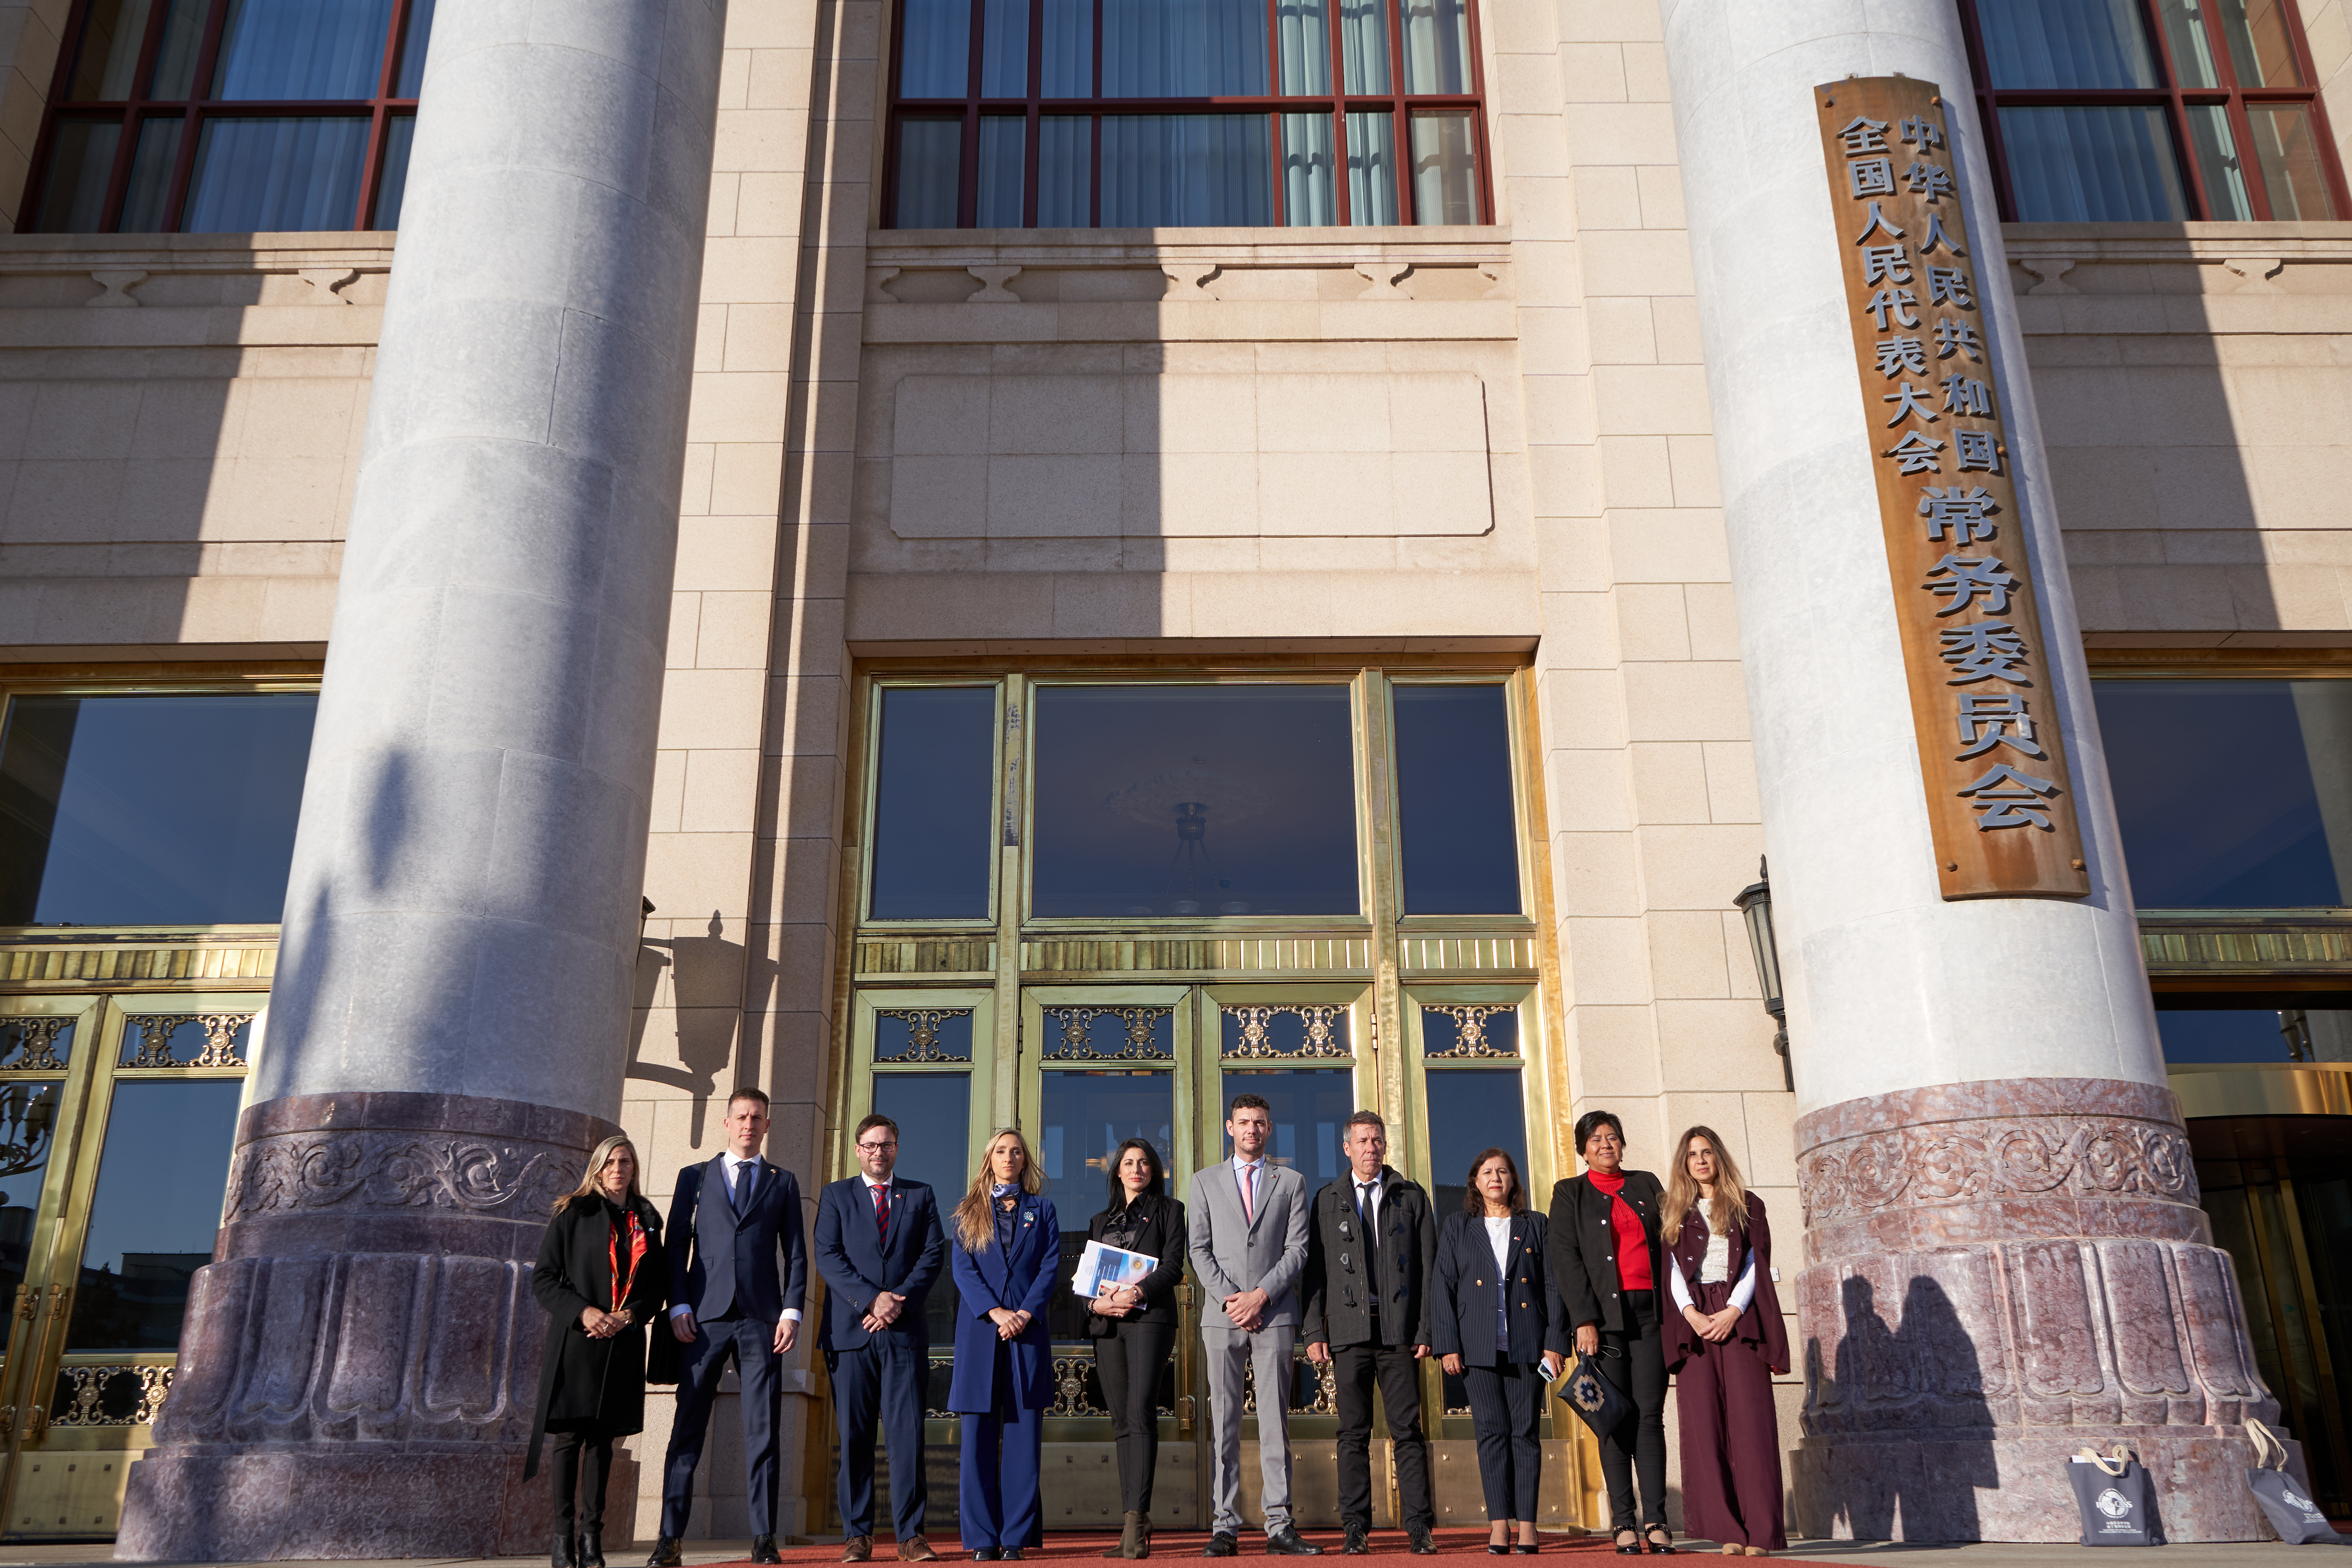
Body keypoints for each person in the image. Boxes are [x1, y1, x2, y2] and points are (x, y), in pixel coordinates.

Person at [651, 1088, 808, 1568]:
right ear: (727, 1122)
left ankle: (764, 1537)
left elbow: (798, 1254)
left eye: (757, 1117)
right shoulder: (694, 1178)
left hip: (761, 1318)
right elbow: (675, 1245)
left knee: (764, 1429)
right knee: (687, 1429)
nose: (748, 1124)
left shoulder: (782, 1182)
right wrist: (677, 1302)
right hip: (701, 1318)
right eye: (741, 1116)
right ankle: (669, 1539)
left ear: (766, 1124)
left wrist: (791, 1311)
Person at [1187, 1093, 1321, 1558]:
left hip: (1275, 1313)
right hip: (1222, 1319)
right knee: (1224, 1423)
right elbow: (1198, 1250)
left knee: (1274, 1424)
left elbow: (1298, 1250)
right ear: (1230, 1127)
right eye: (1244, 1122)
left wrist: (1261, 1295)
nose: (1252, 1129)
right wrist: (1232, 1300)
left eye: (1260, 1122)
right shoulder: (1204, 1182)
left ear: (1269, 1128)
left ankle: (1279, 1524)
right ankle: (1225, 1525)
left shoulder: (1292, 1182)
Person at [528, 1134, 668, 1568]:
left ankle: (592, 1539)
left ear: (634, 1168)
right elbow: (545, 1279)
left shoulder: (645, 1218)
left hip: (622, 1342)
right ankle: (561, 1538)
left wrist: (629, 1316)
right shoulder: (574, 1211)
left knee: (604, 1441)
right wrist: (585, 1312)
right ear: (598, 1167)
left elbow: (656, 1288)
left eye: (625, 1161)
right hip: (579, 1339)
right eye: (610, 1161)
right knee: (570, 1437)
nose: (618, 1168)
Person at [1302, 1110, 1437, 1557]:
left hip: (1398, 1333)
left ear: (1385, 1145)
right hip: (1348, 1333)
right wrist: (1313, 1331)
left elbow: (1428, 1270)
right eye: (1362, 1141)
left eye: (1377, 1140)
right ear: (1347, 1148)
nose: (1371, 1148)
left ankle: (1419, 1526)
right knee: (1353, 1432)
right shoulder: (1327, 1198)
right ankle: (1355, 1527)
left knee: (1407, 1430)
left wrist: (1426, 1327)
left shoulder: (1411, 1196)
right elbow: (1315, 1272)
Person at [816, 1112, 949, 1564]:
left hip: (904, 1333)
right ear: (858, 1150)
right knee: (854, 1437)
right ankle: (858, 1535)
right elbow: (827, 1256)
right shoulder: (835, 1196)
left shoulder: (920, 1195)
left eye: (886, 1144)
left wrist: (899, 1302)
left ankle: (911, 1536)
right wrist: (872, 1300)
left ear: (897, 1148)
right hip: (850, 1335)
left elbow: (933, 1253)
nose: (878, 1151)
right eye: (871, 1145)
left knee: (906, 1436)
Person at [1547, 1110, 1673, 1556]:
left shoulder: (1646, 1184)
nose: (1606, 1144)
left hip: (1652, 1316)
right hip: (1605, 1323)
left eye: (1613, 1137)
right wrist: (1583, 1319)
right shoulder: (1570, 1193)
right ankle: (1623, 1522)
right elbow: (1567, 1260)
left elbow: (1672, 1242)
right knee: (1614, 1420)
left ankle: (1657, 1520)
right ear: (1583, 1149)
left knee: (1651, 1417)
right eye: (1596, 1139)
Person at [1659, 1128, 1788, 1558]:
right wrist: (1691, 1314)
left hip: (1739, 1315)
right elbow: (1672, 1271)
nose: (1700, 1160)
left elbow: (1757, 1262)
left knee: (1751, 1425)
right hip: (1693, 1318)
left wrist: (1733, 1309)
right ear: (1684, 1163)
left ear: (1719, 1158)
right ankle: (1727, 1530)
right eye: (1692, 1155)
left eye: (1707, 1152)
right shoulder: (1673, 1209)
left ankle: (1762, 1532)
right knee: (1704, 1426)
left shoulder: (1748, 1205)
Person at [1433, 1149, 1565, 1556]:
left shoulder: (1535, 1224)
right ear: (1475, 1181)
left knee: (1525, 1433)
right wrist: (1448, 1345)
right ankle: (1499, 1525)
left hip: (1528, 1346)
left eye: (1503, 1171)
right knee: (1491, 1434)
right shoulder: (1459, 1226)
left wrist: (1556, 1343)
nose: (1496, 1178)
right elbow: (1443, 1287)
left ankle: (1528, 1525)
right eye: (1487, 1172)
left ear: (1513, 1180)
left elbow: (1554, 1286)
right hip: (1478, 1348)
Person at [947, 1129, 1060, 1562]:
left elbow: (1050, 1267)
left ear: (1025, 1160)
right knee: (976, 1440)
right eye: (1001, 1150)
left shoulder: (1043, 1210)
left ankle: (1015, 1537)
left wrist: (1025, 1314)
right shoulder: (966, 1211)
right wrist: (997, 1313)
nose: (1009, 1157)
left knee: (1022, 1438)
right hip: (981, 1334)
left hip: (1027, 1335)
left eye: (1016, 1151)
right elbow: (963, 1270)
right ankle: (981, 1540)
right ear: (989, 1159)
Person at [1083, 1139, 1187, 1561]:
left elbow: (1174, 1265)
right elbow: (1087, 1279)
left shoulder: (1169, 1210)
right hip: (1107, 1324)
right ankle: (1135, 1520)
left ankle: (1135, 1520)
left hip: (1149, 1321)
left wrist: (1136, 1291)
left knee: (1142, 1413)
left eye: (1144, 1162)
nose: (1137, 1168)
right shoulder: (1098, 1220)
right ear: (1117, 1171)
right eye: (1128, 1162)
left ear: (1155, 1169)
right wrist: (1097, 1302)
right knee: (1122, 1419)